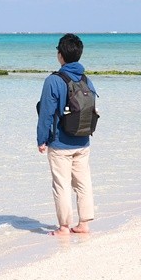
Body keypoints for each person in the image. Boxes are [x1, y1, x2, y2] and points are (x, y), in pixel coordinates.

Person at [37, 33, 96, 236]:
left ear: (60, 55)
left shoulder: (53, 80)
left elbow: (46, 113)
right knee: (83, 183)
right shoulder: (86, 79)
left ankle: (63, 227)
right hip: (83, 141)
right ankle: (84, 224)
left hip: (61, 143)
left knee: (61, 185)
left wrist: (41, 139)